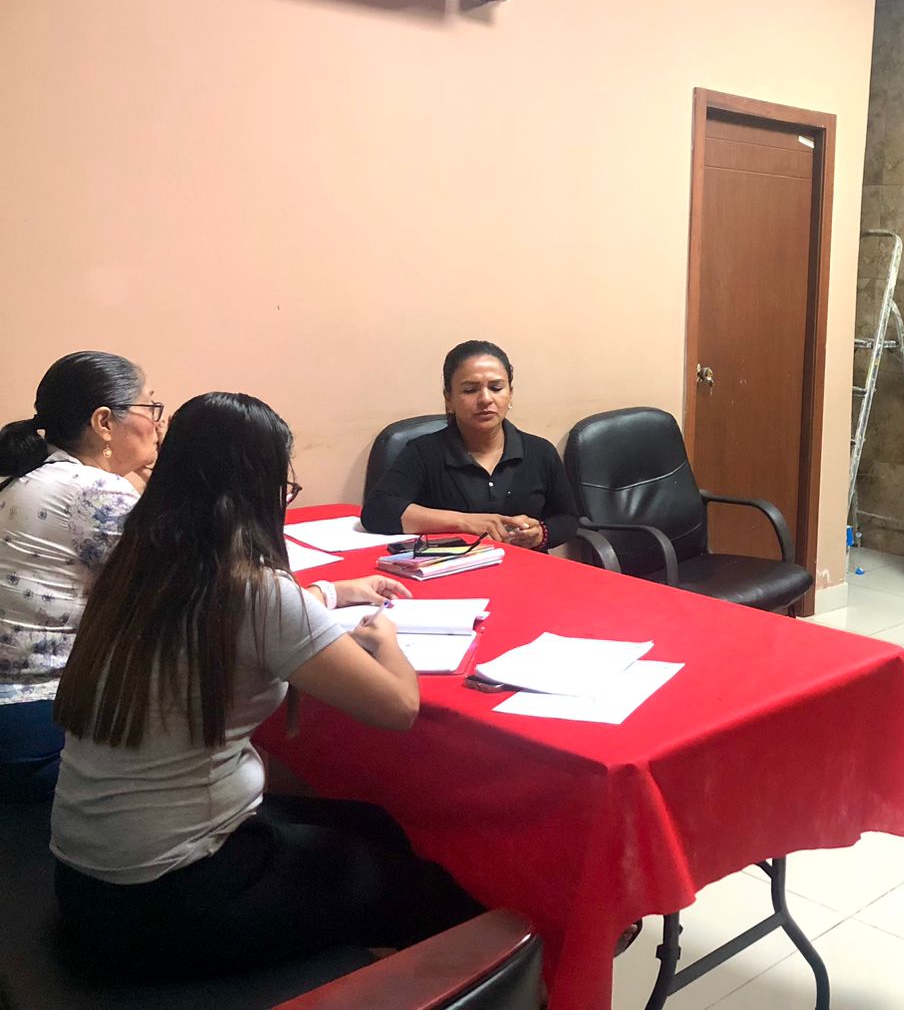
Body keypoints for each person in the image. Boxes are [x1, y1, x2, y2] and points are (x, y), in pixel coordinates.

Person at [50, 392, 483, 979]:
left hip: (87, 882)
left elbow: (250, 620)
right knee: (426, 891)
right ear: (256, 489)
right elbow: (398, 707)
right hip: (170, 896)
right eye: (284, 487)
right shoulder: (253, 591)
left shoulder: (135, 568)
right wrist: (386, 641)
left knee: (373, 824)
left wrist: (326, 600)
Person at [0, 352, 162, 802]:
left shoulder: (34, 475)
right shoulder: (94, 490)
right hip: (34, 715)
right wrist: (323, 595)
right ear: (104, 422)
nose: (157, 424)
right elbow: (181, 591)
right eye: (151, 407)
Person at [362, 340, 578, 550]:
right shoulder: (424, 452)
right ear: (449, 399)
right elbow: (377, 510)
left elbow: (567, 518)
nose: (485, 399)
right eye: (470, 390)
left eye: (496, 388)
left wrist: (540, 534)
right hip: (451, 569)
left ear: (510, 394)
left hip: (527, 569)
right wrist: (465, 522)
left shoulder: (540, 452)